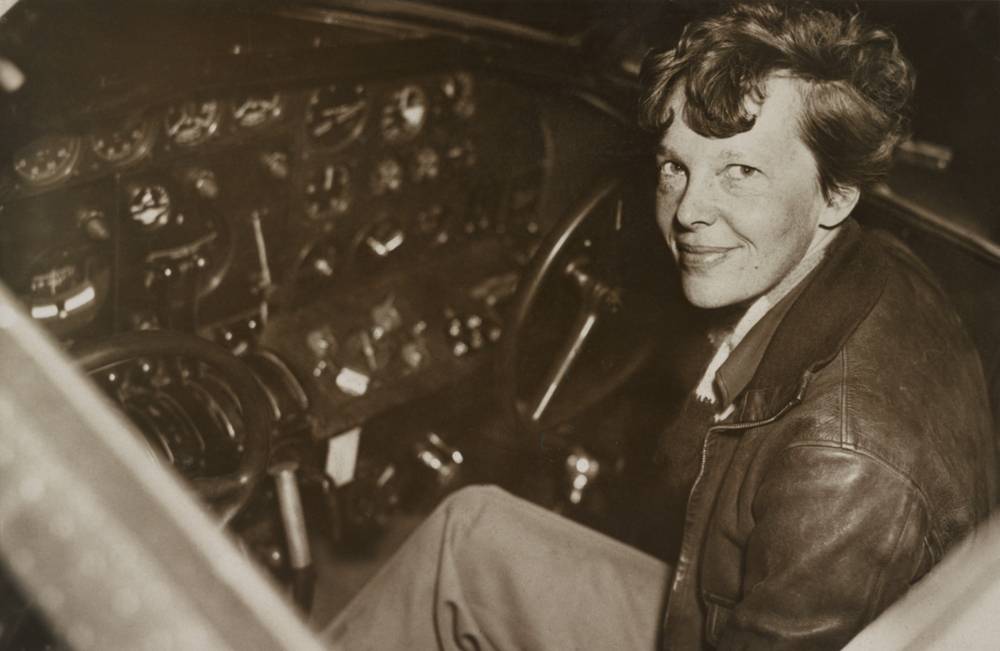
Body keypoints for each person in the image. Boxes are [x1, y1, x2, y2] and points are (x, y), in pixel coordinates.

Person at [323, 3, 996, 649]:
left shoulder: (844, 467)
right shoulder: (866, 268)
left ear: (836, 193)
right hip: (715, 614)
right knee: (467, 536)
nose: (688, 210)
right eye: (676, 167)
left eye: (740, 171)